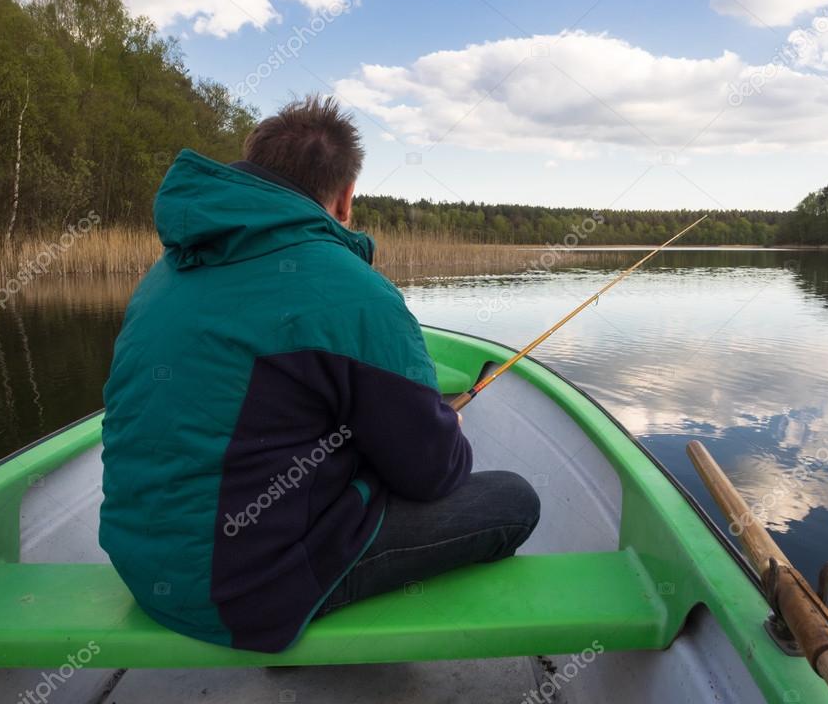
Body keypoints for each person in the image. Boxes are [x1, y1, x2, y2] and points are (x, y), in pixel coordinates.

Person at [99, 95, 540, 653]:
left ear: (255, 172)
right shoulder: (351, 291)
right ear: (346, 197)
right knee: (515, 499)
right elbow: (435, 474)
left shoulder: (165, 274)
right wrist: (434, 427)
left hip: (139, 564)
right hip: (243, 592)